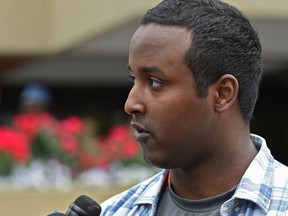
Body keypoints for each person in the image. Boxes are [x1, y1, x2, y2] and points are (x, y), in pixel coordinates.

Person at [100, 0, 288, 215]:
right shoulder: (114, 211)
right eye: (134, 79)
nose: (131, 104)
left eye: (154, 82)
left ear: (222, 94)